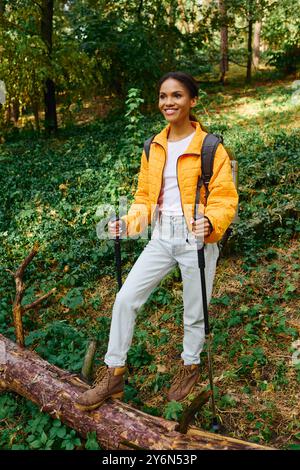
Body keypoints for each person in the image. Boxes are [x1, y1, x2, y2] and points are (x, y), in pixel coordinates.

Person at [75, 71, 238, 411]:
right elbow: (145, 197)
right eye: (164, 96)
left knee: (194, 312)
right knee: (125, 298)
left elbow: (225, 198)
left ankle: (190, 363)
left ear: (192, 101)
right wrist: (129, 222)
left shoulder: (211, 146)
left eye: (176, 96)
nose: (168, 102)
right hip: (163, 235)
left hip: (196, 238)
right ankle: (114, 370)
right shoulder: (154, 146)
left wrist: (209, 222)